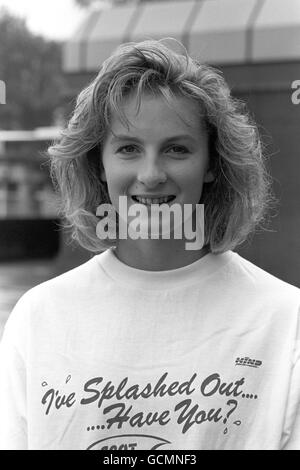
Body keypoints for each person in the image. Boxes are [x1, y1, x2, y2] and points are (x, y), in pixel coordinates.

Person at [0, 39, 299, 450]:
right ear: (97, 164)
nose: (152, 173)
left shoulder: (285, 322)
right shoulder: (38, 319)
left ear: (212, 163)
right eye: (128, 149)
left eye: (177, 149)